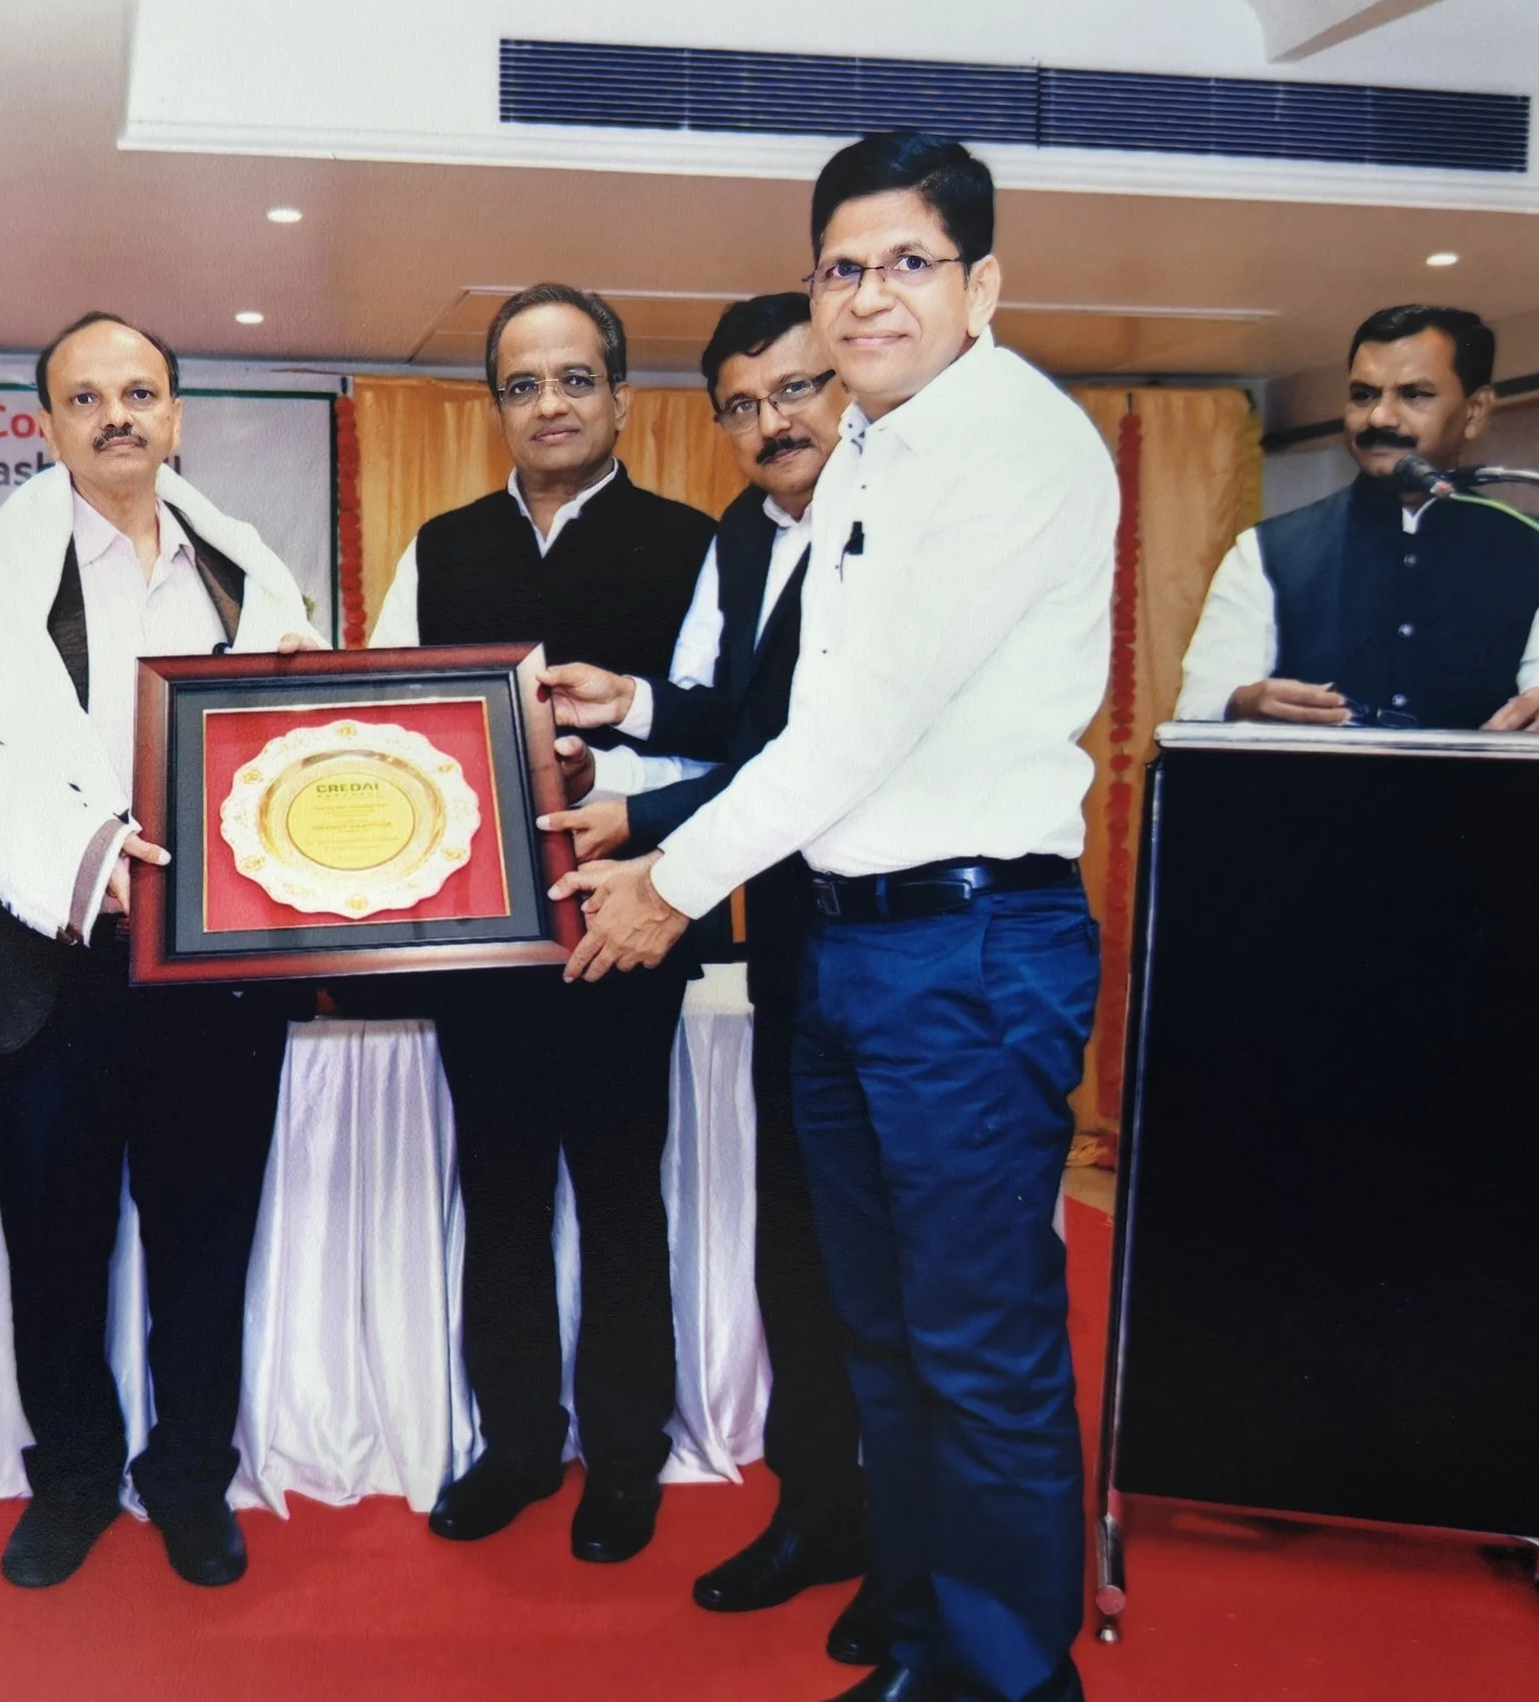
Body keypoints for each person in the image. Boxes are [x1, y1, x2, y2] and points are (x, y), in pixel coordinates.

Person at [554, 135, 1119, 1702]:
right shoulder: (871, 444)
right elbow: (789, 717)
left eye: (909, 262)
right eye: (844, 266)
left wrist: (666, 878)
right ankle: (937, 1648)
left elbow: (856, 727)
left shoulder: (1012, 443)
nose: (871, 295)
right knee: (885, 1343)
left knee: (980, 1356)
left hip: (968, 945)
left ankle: (1012, 1681)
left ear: (982, 284)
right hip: (853, 941)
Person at [0, 312, 323, 1594]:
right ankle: (75, 1478)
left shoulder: (248, 569)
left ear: (176, 415)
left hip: (210, 965)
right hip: (45, 966)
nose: (117, 415)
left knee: (206, 1234)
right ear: (47, 426)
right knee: (54, 1240)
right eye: (86, 398)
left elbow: (296, 736)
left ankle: (190, 1480)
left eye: (139, 392)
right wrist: (91, 855)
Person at [538, 292, 886, 1664]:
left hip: (909, 934)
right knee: (798, 1238)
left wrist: (657, 840)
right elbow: (739, 720)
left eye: (796, 389)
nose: (772, 423)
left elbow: (828, 750)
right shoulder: (749, 536)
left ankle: (915, 1550)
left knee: (897, 1269)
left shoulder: (898, 527)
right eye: (742, 404)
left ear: (849, 382)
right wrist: (631, 708)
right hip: (801, 934)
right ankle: (820, 1508)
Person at [370, 283, 715, 1564]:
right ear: (496, 406)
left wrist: (612, 787)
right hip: (480, 937)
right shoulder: (442, 545)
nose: (551, 404)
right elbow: (390, 726)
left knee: (623, 1195)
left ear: (621, 394)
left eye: (575, 378)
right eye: (523, 384)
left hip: (629, 922)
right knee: (501, 1194)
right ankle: (517, 1445)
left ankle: (626, 1458)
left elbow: (728, 734)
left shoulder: (697, 543)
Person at [1176, 303, 1539, 732]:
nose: (1380, 417)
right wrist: (1239, 704)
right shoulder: (1267, 551)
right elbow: (1198, 704)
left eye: (1414, 395)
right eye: (1363, 395)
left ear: (1475, 411)